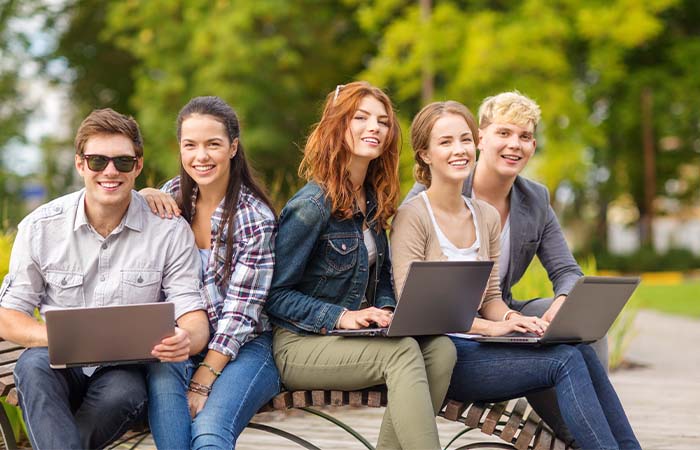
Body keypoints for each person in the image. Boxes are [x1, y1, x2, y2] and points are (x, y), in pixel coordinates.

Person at [391, 100, 640, 450]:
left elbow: (494, 294)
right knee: (565, 360)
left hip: (483, 338)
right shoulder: (414, 214)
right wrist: (496, 326)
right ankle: (584, 440)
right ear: (426, 154)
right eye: (446, 142)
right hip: (441, 350)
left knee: (576, 348)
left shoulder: (487, 214)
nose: (459, 150)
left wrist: (511, 318)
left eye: (524, 136)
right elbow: (418, 309)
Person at [0, 108, 209, 449]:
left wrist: (187, 339)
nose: (110, 172)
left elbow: (193, 315)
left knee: (124, 392)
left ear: (138, 166)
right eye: (97, 161)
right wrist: (58, 338)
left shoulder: (169, 231)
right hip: (56, 360)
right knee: (32, 368)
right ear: (80, 164)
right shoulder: (41, 227)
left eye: (122, 162)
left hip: (122, 369)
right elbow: (7, 316)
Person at [264, 81, 456, 450]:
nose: (375, 128)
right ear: (339, 125)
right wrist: (340, 316)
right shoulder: (312, 205)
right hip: (299, 343)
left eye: (383, 121)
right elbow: (274, 296)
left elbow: (381, 275)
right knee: (401, 353)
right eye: (361, 118)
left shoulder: (371, 197)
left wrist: (384, 310)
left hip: (353, 339)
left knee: (441, 349)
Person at [140, 96, 280, 449]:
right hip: (181, 342)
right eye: (190, 145)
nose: (200, 156)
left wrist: (204, 378)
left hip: (245, 346)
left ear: (233, 147)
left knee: (209, 434)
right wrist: (142, 194)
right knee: (163, 381)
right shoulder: (170, 198)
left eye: (213, 144)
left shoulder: (254, 217)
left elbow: (241, 315)